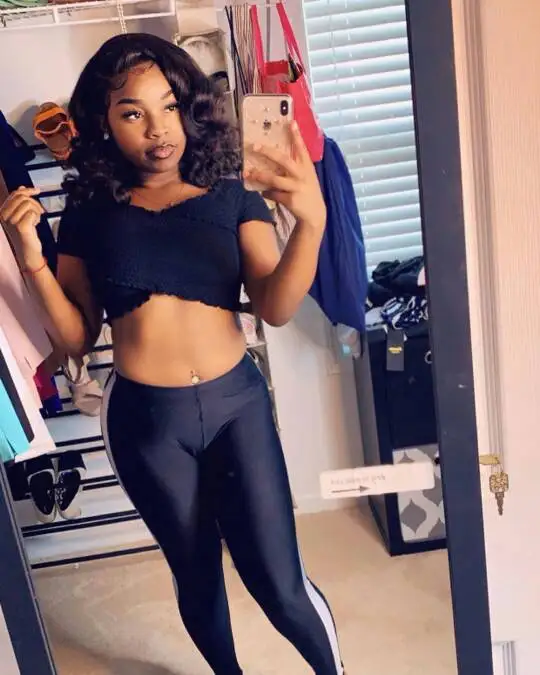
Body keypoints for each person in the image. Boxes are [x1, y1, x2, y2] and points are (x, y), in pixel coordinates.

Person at [0, 33, 343, 675]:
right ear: (103, 121)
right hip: (146, 424)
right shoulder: (90, 213)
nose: (158, 130)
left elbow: (274, 306)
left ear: (191, 107)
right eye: (132, 112)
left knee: (280, 583)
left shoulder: (232, 194)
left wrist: (312, 221)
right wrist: (31, 262)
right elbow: (76, 339)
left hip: (237, 407)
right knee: (197, 578)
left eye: (170, 106)